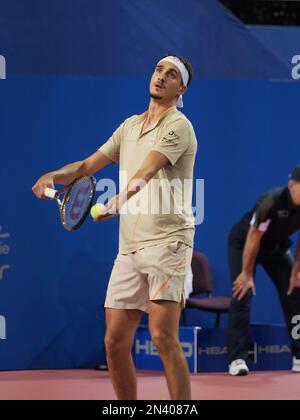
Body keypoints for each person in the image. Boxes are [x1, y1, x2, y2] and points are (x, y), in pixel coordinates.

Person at [32, 54, 198, 400]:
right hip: (130, 247)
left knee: (163, 337)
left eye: (171, 75)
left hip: (169, 242)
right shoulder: (129, 127)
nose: (160, 77)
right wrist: (53, 176)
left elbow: (148, 171)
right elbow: (86, 165)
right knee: (114, 342)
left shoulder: (178, 126)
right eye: (157, 70)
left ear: (180, 88)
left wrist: (119, 201)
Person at [227, 166, 300, 376]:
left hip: (275, 248)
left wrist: (296, 269)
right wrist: (247, 274)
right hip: (244, 244)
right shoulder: (271, 201)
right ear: (292, 186)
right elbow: (253, 237)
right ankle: (237, 359)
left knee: (295, 291)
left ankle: (299, 354)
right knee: (243, 292)